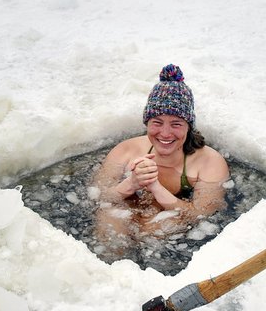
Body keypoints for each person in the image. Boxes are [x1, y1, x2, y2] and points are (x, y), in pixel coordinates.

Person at [93, 65, 229, 246]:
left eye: (176, 124)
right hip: (129, 207)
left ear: (189, 126)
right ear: (147, 123)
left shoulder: (210, 162)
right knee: (109, 217)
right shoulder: (126, 150)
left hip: (168, 218)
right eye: (157, 122)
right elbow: (97, 197)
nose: (165, 133)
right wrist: (131, 184)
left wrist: (157, 188)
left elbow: (201, 214)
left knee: (159, 227)